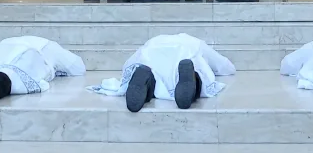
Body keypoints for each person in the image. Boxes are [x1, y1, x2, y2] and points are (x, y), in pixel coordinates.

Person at [88, 33, 235, 111]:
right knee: (200, 76)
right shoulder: (193, 42)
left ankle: (146, 79)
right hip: (184, 55)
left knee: (152, 76)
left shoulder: (153, 41)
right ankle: (192, 79)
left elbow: (129, 63)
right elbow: (224, 66)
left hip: (151, 57)